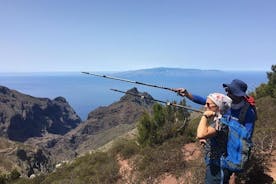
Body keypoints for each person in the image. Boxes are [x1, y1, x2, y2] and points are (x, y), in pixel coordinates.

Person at [175, 79, 257, 183]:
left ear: (239, 95)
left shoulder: (248, 113)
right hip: (217, 152)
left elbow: (246, 137)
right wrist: (187, 94)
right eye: (227, 90)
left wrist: (236, 161)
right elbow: (205, 101)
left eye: (230, 91)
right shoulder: (225, 103)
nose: (227, 93)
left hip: (226, 156)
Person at [197, 92, 232, 184]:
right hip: (214, 164)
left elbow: (200, 134)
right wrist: (207, 139)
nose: (205, 106)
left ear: (218, 107)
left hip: (219, 166)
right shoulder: (219, 121)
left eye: (208, 104)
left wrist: (205, 116)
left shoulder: (220, 123)